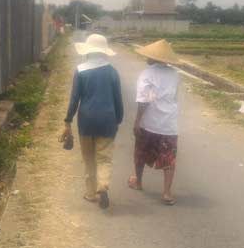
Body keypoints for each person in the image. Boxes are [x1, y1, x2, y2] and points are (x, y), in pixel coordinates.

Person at [61, 34, 124, 209]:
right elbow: (118, 99)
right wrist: (118, 119)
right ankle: (102, 185)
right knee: (104, 158)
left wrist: (67, 120)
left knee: (89, 158)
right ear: (104, 52)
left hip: (86, 120)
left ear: (88, 51)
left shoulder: (80, 70)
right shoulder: (112, 72)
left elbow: (74, 99)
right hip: (107, 120)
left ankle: (90, 193)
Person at [128, 39, 180, 205]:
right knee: (169, 157)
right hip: (169, 123)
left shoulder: (147, 74)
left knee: (141, 152)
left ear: (153, 58)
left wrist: (137, 121)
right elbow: (174, 97)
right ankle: (166, 192)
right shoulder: (175, 74)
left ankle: (138, 182)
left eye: (148, 56)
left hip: (149, 122)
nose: (146, 58)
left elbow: (144, 100)